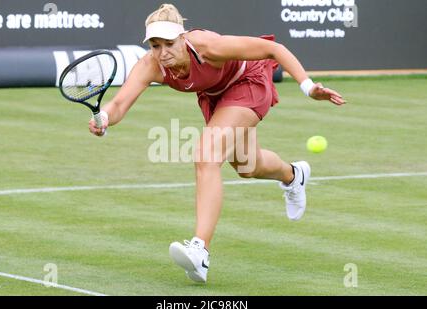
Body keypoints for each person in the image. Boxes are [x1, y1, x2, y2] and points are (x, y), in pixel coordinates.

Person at [89, 4, 346, 283]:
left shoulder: (208, 46)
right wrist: (103, 119)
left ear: (183, 38)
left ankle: (200, 250)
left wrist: (308, 87)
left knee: (206, 153)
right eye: (155, 45)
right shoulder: (150, 65)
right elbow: (118, 105)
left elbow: (274, 50)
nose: (163, 53)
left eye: (169, 44)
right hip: (215, 97)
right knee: (248, 166)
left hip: (247, 82)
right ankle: (294, 175)